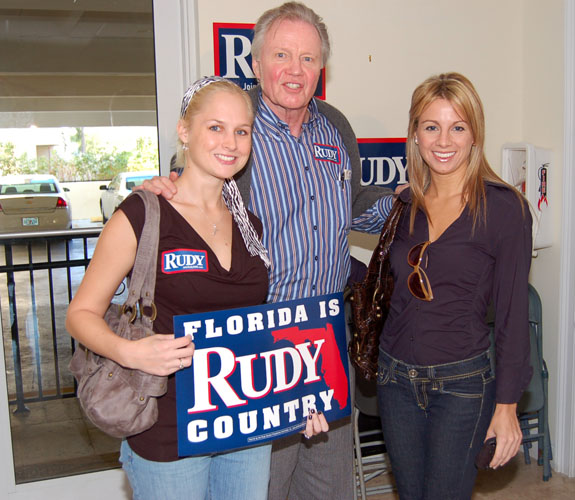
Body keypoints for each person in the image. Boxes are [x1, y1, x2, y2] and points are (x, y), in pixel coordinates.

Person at [140, 3, 395, 498]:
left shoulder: (336, 127)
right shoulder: (238, 125)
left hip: (325, 342)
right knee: (261, 486)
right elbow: (194, 187)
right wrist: (164, 189)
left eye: (308, 57)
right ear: (256, 64)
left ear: (322, 67)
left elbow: (355, 200)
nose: (295, 71)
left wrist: (413, 207)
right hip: (258, 347)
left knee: (329, 488)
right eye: (281, 55)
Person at [66, 76, 327, 500]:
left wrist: (297, 398)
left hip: (244, 426)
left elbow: (255, 331)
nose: (231, 142)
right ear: (185, 132)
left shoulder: (250, 226)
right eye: (215, 127)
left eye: (242, 131)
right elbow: (79, 315)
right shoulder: (143, 215)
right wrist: (131, 352)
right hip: (166, 429)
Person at [376, 72, 533, 499]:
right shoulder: (405, 204)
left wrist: (507, 406)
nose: (444, 141)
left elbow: (513, 317)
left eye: (457, 127)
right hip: (395, 380)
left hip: (462, 384)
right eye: (432, 126)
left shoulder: (504, 209)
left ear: (474, 135)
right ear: (415, 134)